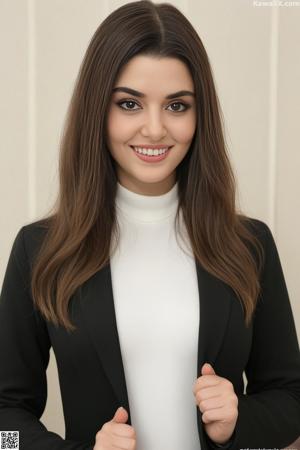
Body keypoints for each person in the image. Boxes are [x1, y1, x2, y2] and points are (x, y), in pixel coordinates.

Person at [0, 1, 300, 449]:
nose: (155, 128)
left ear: (201, 118)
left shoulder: (249, 245)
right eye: (129, 104)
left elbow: (290, 400)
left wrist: (238, 419)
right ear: (97, 111)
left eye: (177, 106)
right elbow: (4, 425)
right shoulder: (40, 249)